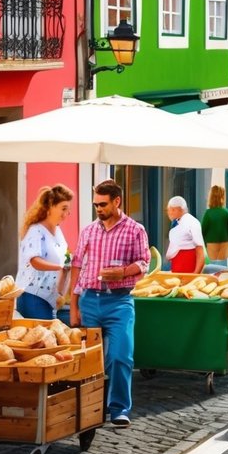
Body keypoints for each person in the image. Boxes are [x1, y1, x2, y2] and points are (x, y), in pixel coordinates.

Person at [70, 179, 150, 428]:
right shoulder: (88, 231)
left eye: (103, 204)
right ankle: (90, 409)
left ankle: (118, 409)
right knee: (88, 360)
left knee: (119, 355)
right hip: (90, 300)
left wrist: (124, 272)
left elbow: (144, 263)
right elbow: (77, 265)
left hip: (120, 301)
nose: (98, 209)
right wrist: (74, 306)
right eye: (95, 204)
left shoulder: (136, 229)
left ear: (117, 201)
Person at [15, 184, 72, 320]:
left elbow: (63, 259)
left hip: (49, 299)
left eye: (68, 210)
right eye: (63, 209)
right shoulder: (36, 231)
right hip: (32, 296)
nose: (66, 214)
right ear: (50, 206)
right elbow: (35, 261)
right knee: (41, 340)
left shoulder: (58, 232)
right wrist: (60, 267)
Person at [165, 196, 206, 274]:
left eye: (171, 210)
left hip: (188, 271)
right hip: (177, 270)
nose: (169, 213)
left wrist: (195, 274)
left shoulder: (192, 222)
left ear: (178, 209)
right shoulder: (177, 223)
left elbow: (200, 250)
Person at [202, 185, 228, 266]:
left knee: (213, 267)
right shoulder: (227, 212)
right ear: (223, 197)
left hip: (211, 243)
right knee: (223, 267)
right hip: (225, 243)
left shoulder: (208, 213)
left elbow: (203, 230)